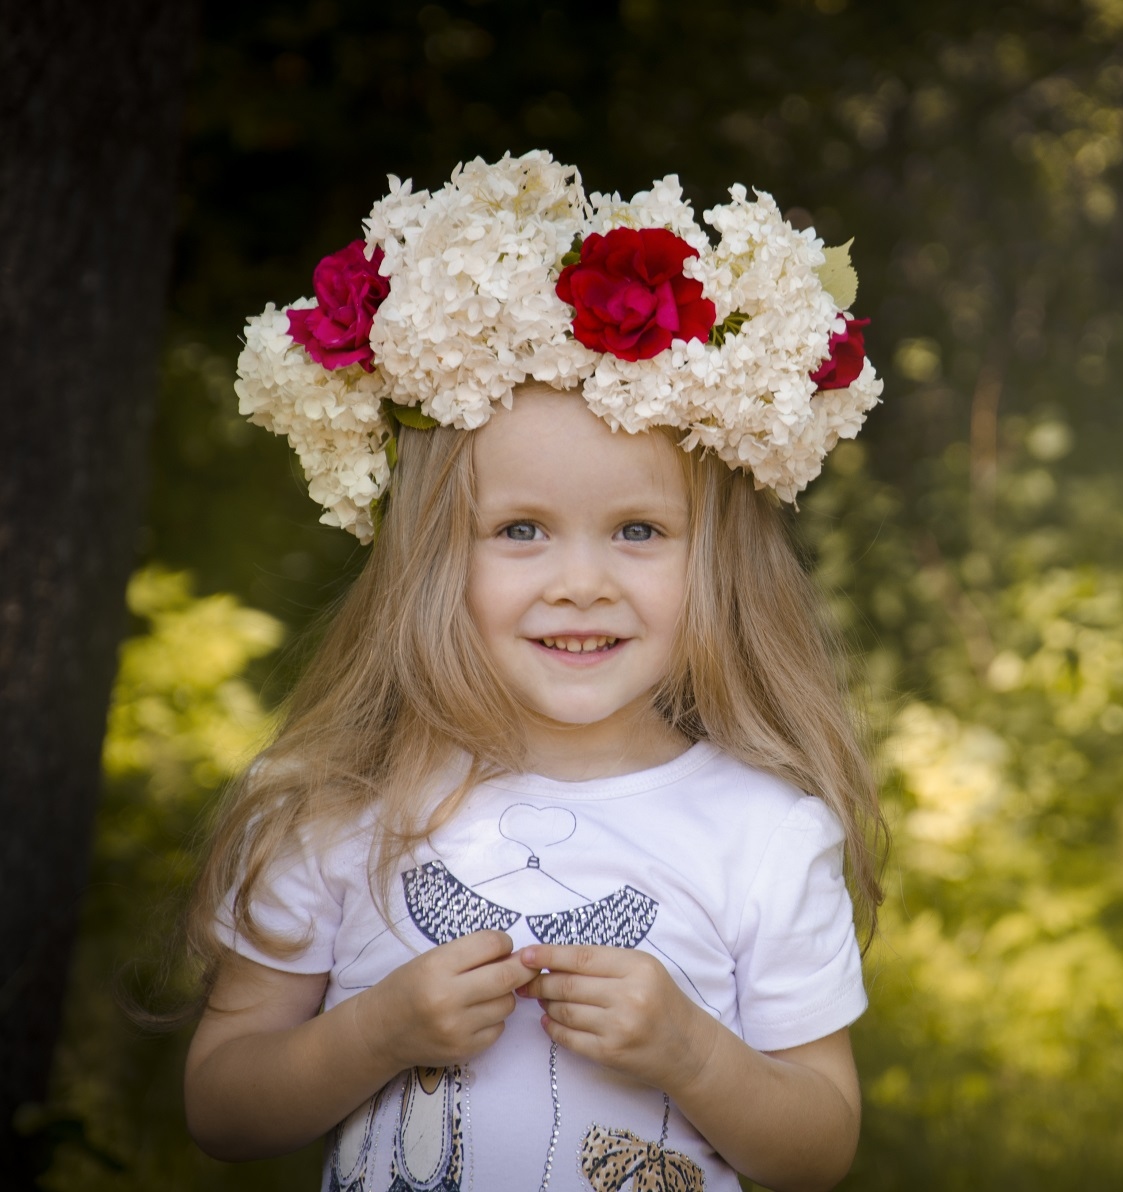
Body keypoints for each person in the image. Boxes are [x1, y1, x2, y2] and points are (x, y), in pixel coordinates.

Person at [181, 151, 886, 1192]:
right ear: (431, 556)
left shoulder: (763, 832)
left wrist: (691, 1052)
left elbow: (818, 1146)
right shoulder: (331, 809)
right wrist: (375, 1032)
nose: (582, 582)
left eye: (638, 529)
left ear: (716, 562)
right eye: (521, 530)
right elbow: (221, 1106)